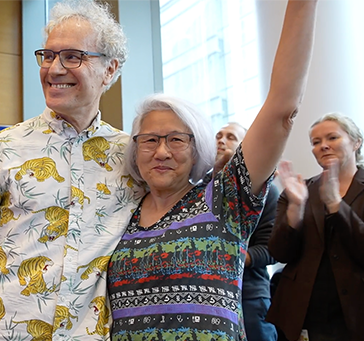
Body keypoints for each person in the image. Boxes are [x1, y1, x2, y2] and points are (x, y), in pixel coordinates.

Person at [106, 0, 317, 339]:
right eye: (149, 140)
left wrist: (302, 6)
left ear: (197, 148)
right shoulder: (119, 212)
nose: (161, 151)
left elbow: (282, 109)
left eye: (176, 139)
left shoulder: (223, 199)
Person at [0, 1, 145, 339]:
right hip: (2, 333)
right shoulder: (2, 147)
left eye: (72, 56)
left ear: (109, 69)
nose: (53, 69)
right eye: (48, 55)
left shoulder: (131, 155)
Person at [267, 113, 364, 341]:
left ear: (356, 142)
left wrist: (335, 204)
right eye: (316, 142)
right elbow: (279, 253)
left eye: (332, 138)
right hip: (304, 312)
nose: (324, 146)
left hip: (356, 311)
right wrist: (296, 209)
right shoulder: (299, 191)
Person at [215, 123, 279, 341]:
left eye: (230, 137)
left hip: (249, 295)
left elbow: (270, 250)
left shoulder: (265, 190)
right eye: (218, 136)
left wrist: (222, 257)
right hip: (210, 296)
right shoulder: (202, 187)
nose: (221, 140)